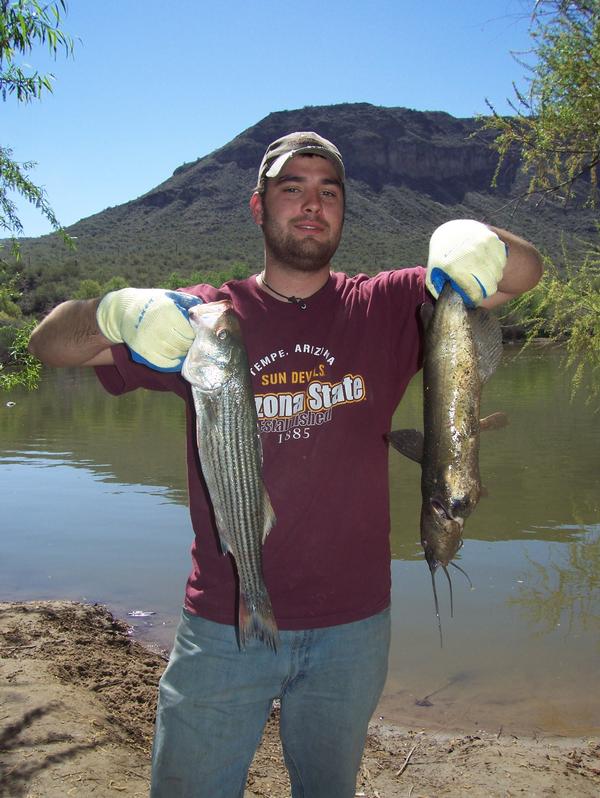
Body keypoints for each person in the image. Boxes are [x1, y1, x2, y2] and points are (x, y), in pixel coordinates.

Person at [29, 131, 543, 798]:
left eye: (328, 193)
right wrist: (116, 313)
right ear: (258, 207)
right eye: (291, 188)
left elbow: (524, 273)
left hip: (354, 627)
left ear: (343, 213)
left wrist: (477, 239)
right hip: (223, 619)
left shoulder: (387, 306)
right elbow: (50, 344)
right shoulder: (207, 319)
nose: (311, 204)